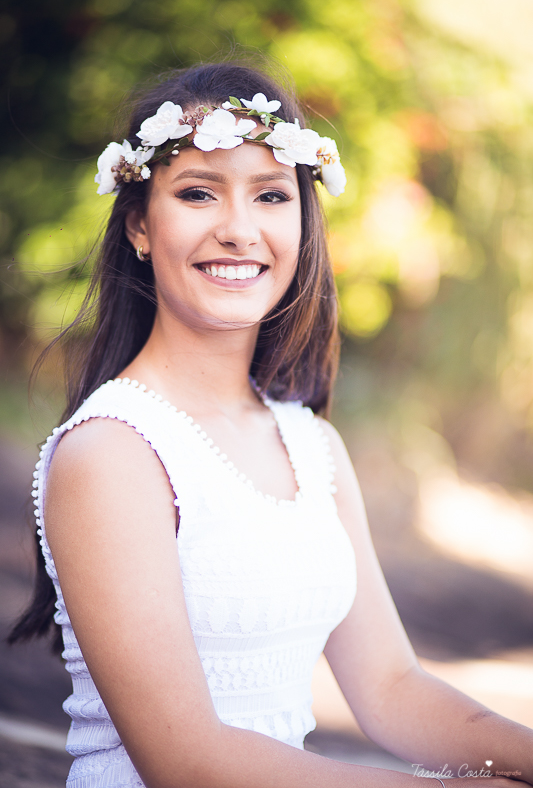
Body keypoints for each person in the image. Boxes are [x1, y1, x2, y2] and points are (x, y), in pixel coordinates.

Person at [9, 59, 533, 788]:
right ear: (138, 226)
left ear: (302, 222)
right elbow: (184, 761)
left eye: (269, 196)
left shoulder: (311, 445)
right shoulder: (113, 452)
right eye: (197, 193)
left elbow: (390, 690)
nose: (238, 229)